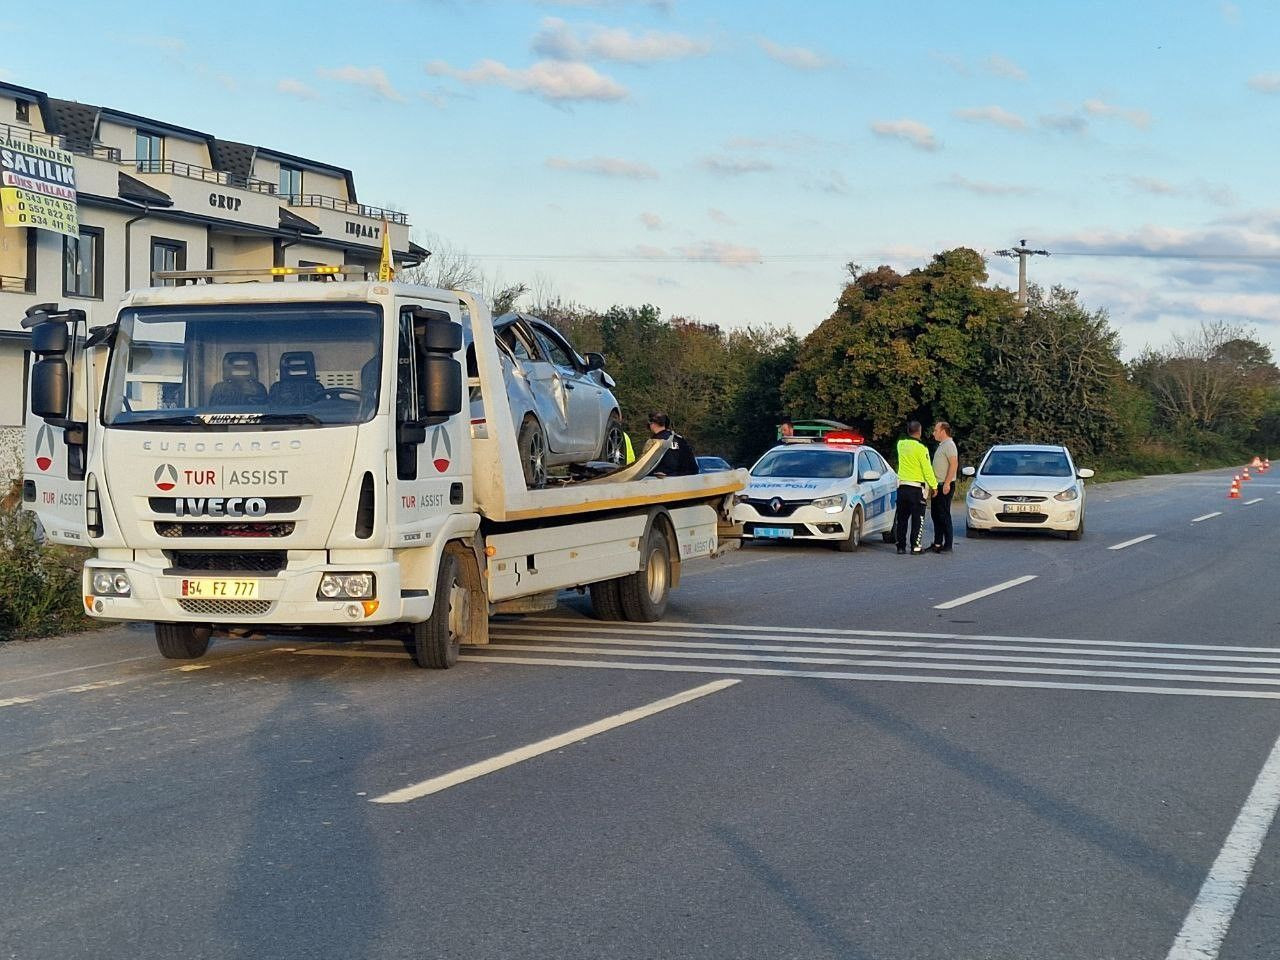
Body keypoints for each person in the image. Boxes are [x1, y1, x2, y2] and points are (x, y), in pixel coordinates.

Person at [894, 420, 938, 555]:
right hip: (916, 489)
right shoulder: (921, 448)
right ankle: (915, 546)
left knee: (902, 519)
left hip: (902, 487)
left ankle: (901, 546)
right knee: (918, 519)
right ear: (919, 431)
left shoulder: (900, 445)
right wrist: (934, 486)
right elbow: (927, 469)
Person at [930, 421, 958, 553]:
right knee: (936, 514)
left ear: (942, 431)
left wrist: (947, 483)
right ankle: (937, 543)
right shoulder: (942, 445)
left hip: (945, 485)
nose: (933, 433)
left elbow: (953, 464)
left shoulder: (949, 445)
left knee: (944, 515)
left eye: (935, 430)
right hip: (938, 485)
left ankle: (948, 544)